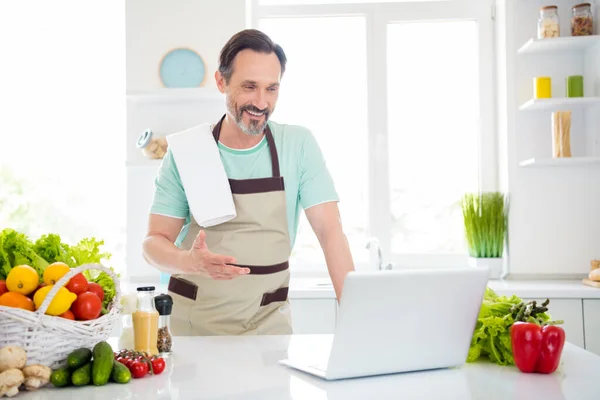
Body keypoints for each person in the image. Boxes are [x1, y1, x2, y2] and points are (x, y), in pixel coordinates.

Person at [142, 29, 355, 336]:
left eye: (272, 89)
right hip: (193, 326)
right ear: (221, 82)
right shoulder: (188, 152)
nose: (261, 102)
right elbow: (152, 244)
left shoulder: (297, 144)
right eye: (249, 87)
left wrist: (356, 316)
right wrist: (189, 261)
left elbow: (330, 232)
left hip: (268, 324)